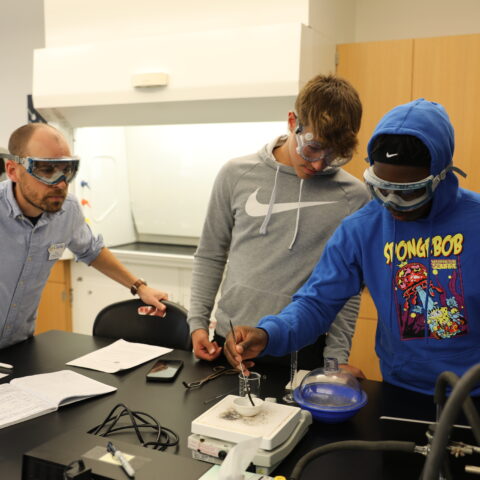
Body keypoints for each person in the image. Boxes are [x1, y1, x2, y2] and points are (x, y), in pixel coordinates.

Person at [224, 98, 480, 396]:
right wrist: (269, 334)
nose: (392, 204)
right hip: (400, 389)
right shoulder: (362, 228)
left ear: (440, 177)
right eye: (381, 189)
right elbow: (316, 303)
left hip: (473, 393)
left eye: (408, 194)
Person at [187, 74, 370, 373]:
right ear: (291, 121)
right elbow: (210, 254)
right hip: (230, 342)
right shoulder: (236, 174)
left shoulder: (354, 196)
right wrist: (197, 324)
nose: (318, 164)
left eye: (334, 155)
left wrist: (335, 360)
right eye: (312, 148)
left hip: (305, 352)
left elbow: (347, 290)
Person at [0, 123, 168, 349]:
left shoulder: (67, 210)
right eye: (46, 170)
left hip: (18, 346)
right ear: (12, 170)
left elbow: (92, 250)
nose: (60, 183)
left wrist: (140, 287)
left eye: (66, 169)